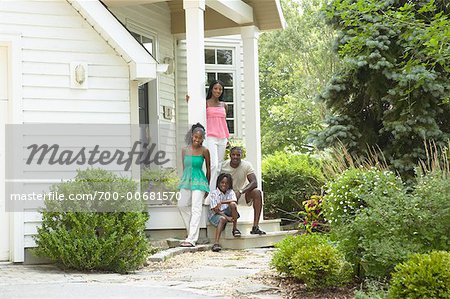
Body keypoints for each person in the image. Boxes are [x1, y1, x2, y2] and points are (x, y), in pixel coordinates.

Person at [178, 123, 211, 247]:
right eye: (195, 137)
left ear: (203, 138)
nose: (197, 140)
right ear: (192, 136)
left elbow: (208, 169)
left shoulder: (205, 151)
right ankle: (191, 232)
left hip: (199, 182)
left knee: (196, 209)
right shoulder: (184, 150)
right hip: (186, 180)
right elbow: (184, 167)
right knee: (181, 205)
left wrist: (207, 186)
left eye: (200, 138)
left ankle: (192, 239)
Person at [221, 146, 266, 235]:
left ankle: (255, 227)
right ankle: (234, 228)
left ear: (241, 156)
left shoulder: (246, 165)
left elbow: (254, 182)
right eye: (233, 154)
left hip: (242, 193)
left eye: (238, 155)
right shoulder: (223, 166)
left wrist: (241, 191)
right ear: (230, 155)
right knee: (231, 206)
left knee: (257, 192)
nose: (235, 157)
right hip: (227, 195)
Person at [205, 80, 229, 192]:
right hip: (210, 136)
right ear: (211, 89)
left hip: (222, 138)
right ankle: (209, 192)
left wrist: (227, 138)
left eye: (220, 89)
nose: (218, 91)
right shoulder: (205, 103)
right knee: (213, 165)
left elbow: (224, 122)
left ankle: (215, 191)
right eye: (215, 88)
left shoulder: (224, 105)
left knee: (219, 167)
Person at [208, 173, 241, 252]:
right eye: (222, 182)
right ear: (218, 183)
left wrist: (222, 202)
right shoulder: (214, 193)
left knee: (233, 205)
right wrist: (227, 218)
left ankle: (235, 229)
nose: (224, 185)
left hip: (226, 211)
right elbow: (215, 210)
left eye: (226, 183)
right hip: (215, 215)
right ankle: (216, 243)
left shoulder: (230, 191)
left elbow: (234, 200)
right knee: (222, 219)